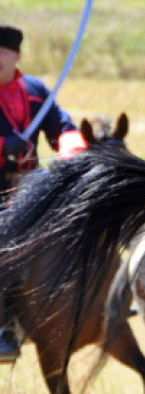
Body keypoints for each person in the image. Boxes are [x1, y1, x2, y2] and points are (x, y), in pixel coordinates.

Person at [0, 23, 88, 362]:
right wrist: (4, 144)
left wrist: (73, 151)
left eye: (2, 52)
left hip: (30, 184)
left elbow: (63, 128)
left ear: (16, 55)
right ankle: (5, 326)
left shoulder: (36, 91)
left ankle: (107, 298)